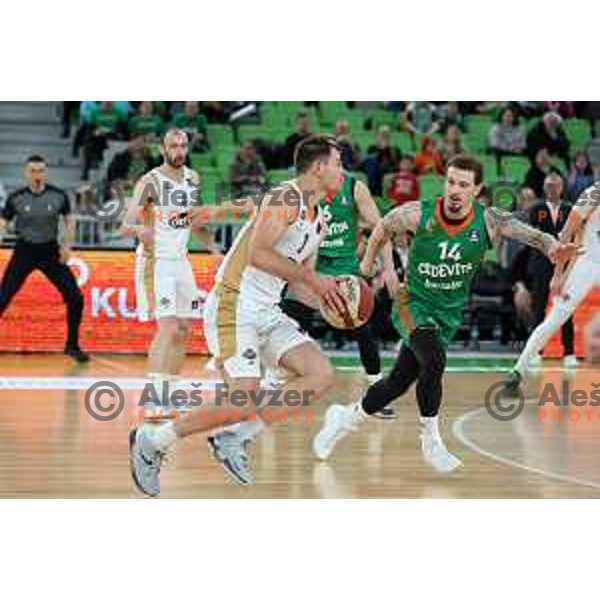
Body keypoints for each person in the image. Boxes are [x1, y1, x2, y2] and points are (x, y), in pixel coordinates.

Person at [312, 155, 578, 473]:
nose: (455, 190)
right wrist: (372, 268)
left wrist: (553, 247)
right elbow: (382, 227)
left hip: (448, 313)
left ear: (477, 189)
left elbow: (532, 235)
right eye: (451, 181)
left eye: (464, 185)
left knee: (397, 383)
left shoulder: (490, 221)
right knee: (435, 360)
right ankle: (431, 439)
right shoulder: (417, 213)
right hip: (413, 304)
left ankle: (345, 417)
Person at [128, 134, 350, 496]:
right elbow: (259, 255)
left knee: (320, 375)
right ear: (319, 167)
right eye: (338, 164)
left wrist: (337, 303)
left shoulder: (319, 218)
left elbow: (299, 286)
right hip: (235, 303)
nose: (343, 172)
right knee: (242, 395)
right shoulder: (285, 198)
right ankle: (153, 440)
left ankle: (236, 437)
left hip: (267, 309)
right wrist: (315, 279)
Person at [275, 170, 399, 419]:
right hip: (310, 269)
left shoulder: (355, 188)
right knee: (287, 327)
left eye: (339, 161)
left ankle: (376, 392)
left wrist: (390, 270)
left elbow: (381, 229)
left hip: (344, 274)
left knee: (363, 328)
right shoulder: (301, 189)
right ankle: (276, 389)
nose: (336, 167)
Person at [120, 129, 217, 397]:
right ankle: (154, 394)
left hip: (180, 260)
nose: (179, 151)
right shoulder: (149, 181)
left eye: (183, 145)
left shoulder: (192, 179)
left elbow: (194, 221)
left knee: (184, 328)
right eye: (173, 146)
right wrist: (139, 230)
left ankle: (170, 391)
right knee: (169, 327)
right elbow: (124, 225)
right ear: (163, 149)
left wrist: (213, 250)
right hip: (157, 260)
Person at [506, 180, 600, 392]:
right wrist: (559, 276)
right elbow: (566, 235)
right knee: (556, 317)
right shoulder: (593, 194)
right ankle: (517, 371)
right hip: (587, 264)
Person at [0, 155, 88, 362]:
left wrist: (67, 246)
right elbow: (3, 223)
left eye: (40, 170)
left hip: (50, 251)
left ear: (45, 173)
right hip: (24, 250)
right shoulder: (16, 198)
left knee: (76, 297)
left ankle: (72, 346)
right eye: (33, 171)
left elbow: (69, 220)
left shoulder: (58, 195)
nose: (37, 175)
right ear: (26, 173)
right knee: (3, 297)